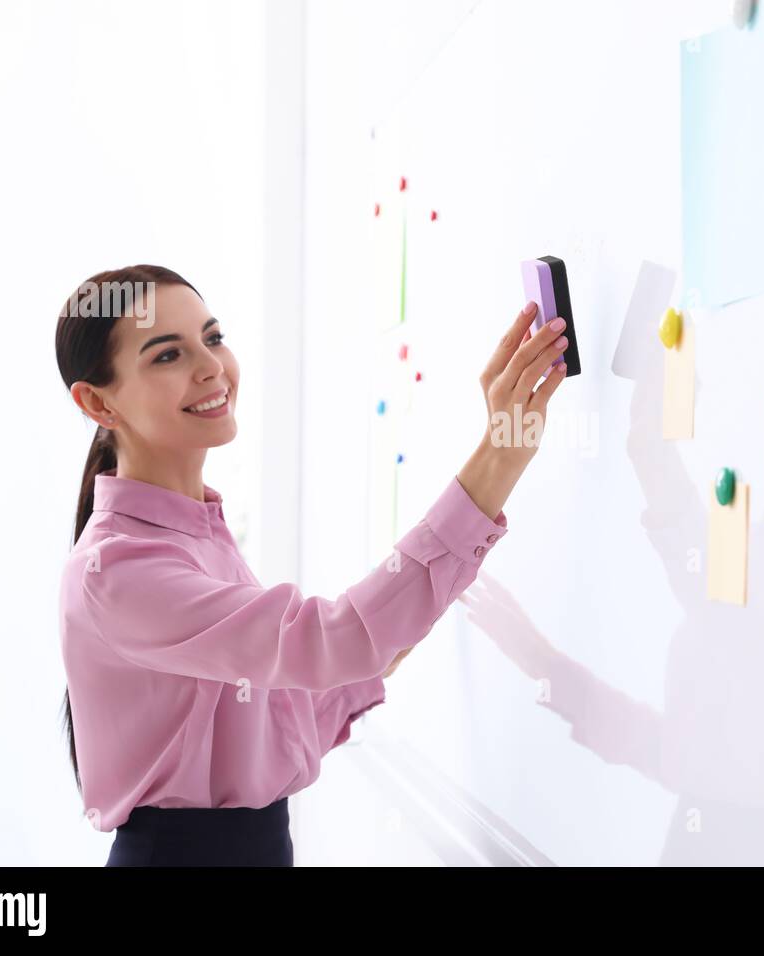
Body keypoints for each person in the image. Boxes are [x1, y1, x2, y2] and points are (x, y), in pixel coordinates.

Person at [53, 264, 568, 865]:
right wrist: (498, 457)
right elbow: (333, 642)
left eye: (213, 338)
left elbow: (299, 692)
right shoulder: (119, 570)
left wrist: (412, 608)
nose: (211, 367)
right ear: (97, 402)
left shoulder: (196, 534)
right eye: (167, 355)